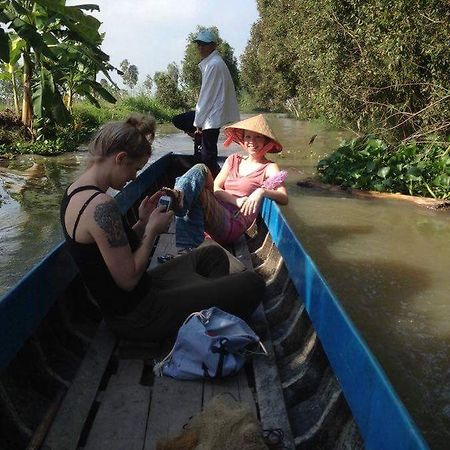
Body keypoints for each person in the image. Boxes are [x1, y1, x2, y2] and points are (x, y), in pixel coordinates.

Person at [60, 115, 264, 342]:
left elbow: (112, 251)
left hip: (143, 293)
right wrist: (152, 232)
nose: (134, 177)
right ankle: (206, 306)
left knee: (213, 254)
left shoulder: (74, 192)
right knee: (252, 283)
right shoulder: (101, 206)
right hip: (138, 316)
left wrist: (143, 222)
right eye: (135, 169)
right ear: (120, 158)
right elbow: (127, 280)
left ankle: (205, 302)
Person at [164, 114, 288, 249]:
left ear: (266, 141)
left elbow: (283, 197)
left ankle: (183, 234)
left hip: (233, 222)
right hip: (217, 209)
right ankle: (181, 195)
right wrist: (236, 201)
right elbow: (216, 188)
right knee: (201, 169)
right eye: (248, 137)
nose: (252, 141)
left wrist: (261, 191)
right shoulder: (233, 159)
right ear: (243, 139)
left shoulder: (269, 167)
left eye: (258, 137)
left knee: (194, 193)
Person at [171, 29, 240, 176]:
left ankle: (209, 179)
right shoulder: (212, 63)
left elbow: (206, 96)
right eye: (198, 44)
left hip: (211, 116)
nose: (200, 47)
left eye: (204, 44)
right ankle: (209, 173)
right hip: (211, 114)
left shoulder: (214, 64)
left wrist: (198, 124)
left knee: (207, 154)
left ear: (213, 45)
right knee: (182, 123)